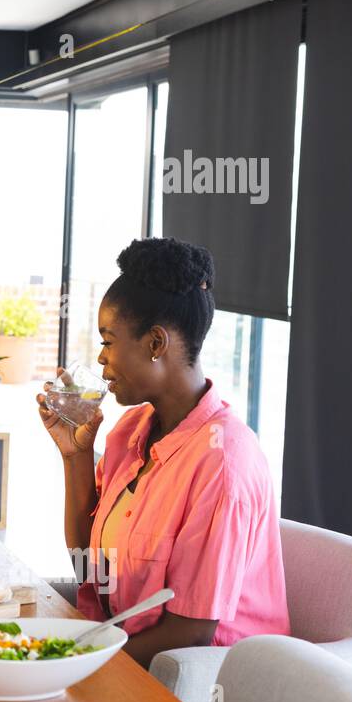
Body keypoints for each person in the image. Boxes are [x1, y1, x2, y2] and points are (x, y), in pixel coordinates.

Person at [37, 237, 290, 669]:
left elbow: (191, 631)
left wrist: (79, 666)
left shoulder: (222, 462)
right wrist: (75, 455)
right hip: (128, 659)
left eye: (108, 340)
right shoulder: (131, 431)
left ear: (156, 343)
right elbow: (91, 572)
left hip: (208, 686)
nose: (100, 360)